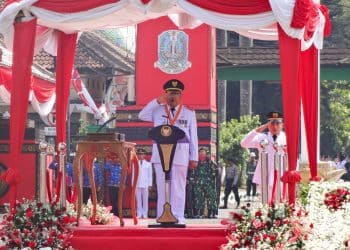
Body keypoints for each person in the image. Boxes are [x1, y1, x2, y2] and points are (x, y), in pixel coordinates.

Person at [138, 79, 198, 224]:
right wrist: (156, 102)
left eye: (176, 94)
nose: (172, 97)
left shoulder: (188, 112)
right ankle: (162, 215)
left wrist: (193, 157)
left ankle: (178, 216)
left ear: (180, 95)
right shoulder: (157, 110)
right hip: (160, 155)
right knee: (162, 185)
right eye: (170, 93)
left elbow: (193, 136)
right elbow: (141, 115)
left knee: (178, 187)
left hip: (180, 155)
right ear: (165, 95)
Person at [241, 111, 286, 201]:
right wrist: (258, 130)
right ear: (268, 124)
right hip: (265, 173)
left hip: (281, 173)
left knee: (280, 200)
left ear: (282, 125)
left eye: (277, 123)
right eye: (272, 123)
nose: (275, 126)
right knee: (266, 202)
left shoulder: (286, 138)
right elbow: (244, 143)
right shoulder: (261, 137)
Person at [193, 148, 217, 218]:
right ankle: (198, 213)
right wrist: (194, 180)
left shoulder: (210, 162)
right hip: (198, 183)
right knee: (198, 198)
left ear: (206, 154)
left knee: (211, 198)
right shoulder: (196, 162)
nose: (201, 154)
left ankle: (211, 213)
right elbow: (193, 172)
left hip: (209, 183)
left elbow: (215, 172)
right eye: (200, 152)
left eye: (203, 152)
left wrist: (211, 179)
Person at [136, 148, 153, 219]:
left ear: (145, 155)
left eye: (142, 154)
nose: (141, 156)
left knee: (145, 200)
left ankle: (145, 214)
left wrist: (150, 184)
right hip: (137, 184)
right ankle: (139, 213)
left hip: (145, 184)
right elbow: (134, 174)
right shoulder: (135, 163)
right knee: (138, 200)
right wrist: (133, 184)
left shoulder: (148, 164)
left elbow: (150, 175)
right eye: (139, 154)